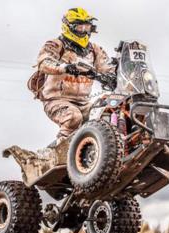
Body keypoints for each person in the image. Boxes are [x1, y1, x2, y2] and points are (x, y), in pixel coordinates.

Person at [35, 7, 115, 143]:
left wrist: (114, 76)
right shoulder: (55, 45)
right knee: (73, 116)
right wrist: (64, 67)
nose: (84, 31)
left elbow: (108, 68)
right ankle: (61, 149)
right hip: (55, 100)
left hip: (84, 102)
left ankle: (104, 150)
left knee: (105, 112)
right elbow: (44, 62)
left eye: (87, 27)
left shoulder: (95, 50)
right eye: (80, 27)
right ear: (69, 27)